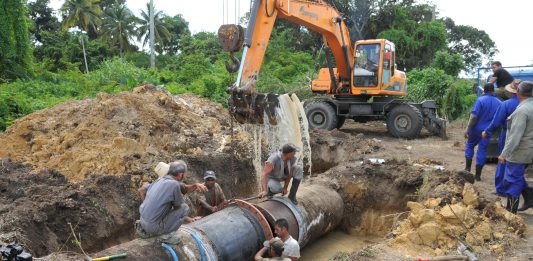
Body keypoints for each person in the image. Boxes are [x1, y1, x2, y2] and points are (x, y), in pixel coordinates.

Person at [136, 160, 207, 243]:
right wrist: (188, 218)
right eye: (185, 174)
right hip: (153, 227)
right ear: (181, 174)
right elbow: (178, 208)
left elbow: (184, 188)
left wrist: (195, 185)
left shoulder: (159, 181)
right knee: (184, 208)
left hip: (143, 222)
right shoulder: (174, 184)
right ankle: (165, 236)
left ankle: (147, 229)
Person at [482, 80, 521, 195]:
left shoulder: (507, 104)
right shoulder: (529, 105)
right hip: (526, 138)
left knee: (503, 159)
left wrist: (487, 131)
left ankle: (501, 189)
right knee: (519, 163)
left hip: (508, 135)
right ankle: (517, 189)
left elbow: (496, 122)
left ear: (512, 92)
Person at [499, 81, 533, 214]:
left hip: (519, 151)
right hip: (528, 151)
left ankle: (511, 211)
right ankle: (530, 198)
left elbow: (515, 136)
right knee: (517, 177)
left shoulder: (522, 111)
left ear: (518, 93)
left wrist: (504, 153)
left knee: (512, 179)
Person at [464, 83, 501, 181]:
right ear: (493, 91)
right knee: (482, 150)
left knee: (470, 145)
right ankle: (478, 175)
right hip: (487, 131)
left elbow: (474, 116)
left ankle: (467, 170)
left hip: (475, 129)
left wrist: (467, 129)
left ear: (484, 91)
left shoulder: (480, 100)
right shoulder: (499, 102)